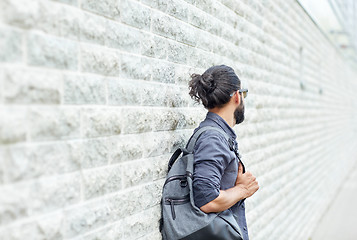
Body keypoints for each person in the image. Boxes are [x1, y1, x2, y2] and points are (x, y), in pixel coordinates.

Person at [188, 65, 259, 240]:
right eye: (244, 94)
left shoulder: (215, 134)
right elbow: (207, 199)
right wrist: (242, 189)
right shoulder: (213, 139)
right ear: (236, 96)